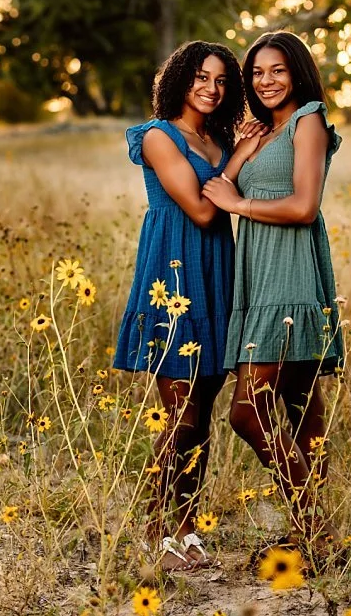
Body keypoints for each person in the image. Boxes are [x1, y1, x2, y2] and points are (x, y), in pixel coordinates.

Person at [203, 30, 345, 556]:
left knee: (248, 411)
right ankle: (316, 532)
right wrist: (242, 149)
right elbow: (219, 189)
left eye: (277, 70)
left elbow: (304, 206)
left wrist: (239, 206)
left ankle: (314, 528)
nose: (266, 81)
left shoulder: (307, 119)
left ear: (297, 72)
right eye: (257, 72)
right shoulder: (268, 129)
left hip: (288, 273)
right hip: (257, 272)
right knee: (299, 404)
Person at [117, 40, 244, 572]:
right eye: (201, 77)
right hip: (174, 270)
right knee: (181, 410)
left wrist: (236, 154)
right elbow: (199, 209)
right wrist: (242, 158)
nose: (211, 89)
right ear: (179, 78)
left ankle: (187, 528)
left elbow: (227, 204)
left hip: (218, 271)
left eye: (220, 81)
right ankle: (153, 529)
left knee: (205, 411)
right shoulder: (157, 136)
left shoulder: (216, 137)